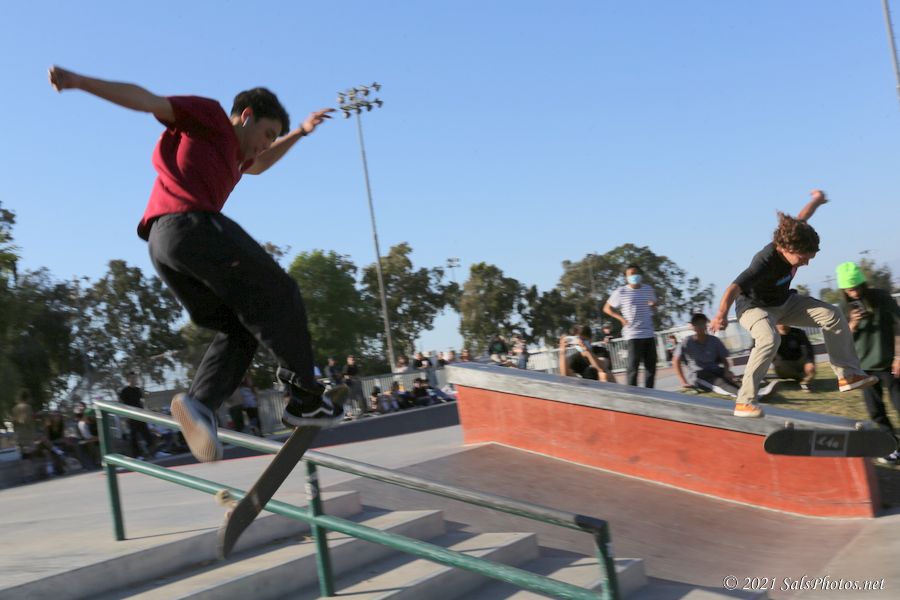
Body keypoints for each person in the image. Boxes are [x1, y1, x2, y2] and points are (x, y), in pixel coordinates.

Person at [49, 66, 347, 463]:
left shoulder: (237, 157)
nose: (265, 146)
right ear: (246, 116)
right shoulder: (210, 118)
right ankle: (306, 399)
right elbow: (147, 100)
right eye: (267, 134)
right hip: (189, 226)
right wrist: (81, 82)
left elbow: (260, 164)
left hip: (165, 249)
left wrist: (301, 133)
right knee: (280, 292)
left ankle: (200, 404)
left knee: (241, 329)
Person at [710, 190, 876, 417]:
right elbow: (733, 288)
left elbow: (803, 216)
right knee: (769, 339)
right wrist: (720, 315)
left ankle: (848, 375)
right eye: (802, 258)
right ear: (786, 248)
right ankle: (744, 401)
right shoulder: (764, 261)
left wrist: (817, 200)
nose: (806, 263)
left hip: (784, 302)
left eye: (809, 258)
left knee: (833, 315)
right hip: (754, 308)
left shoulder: (795, 235)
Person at [836, 261, 900, 464]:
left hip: (889, 363)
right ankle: (892, 446)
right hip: (863, 369)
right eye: (849, 289)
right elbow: (841, 340)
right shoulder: (843, 308)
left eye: (856, 287)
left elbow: (898, 325)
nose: (854, 292)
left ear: (862, 283)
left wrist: (899, 356)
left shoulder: (882, 297)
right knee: (876, 411)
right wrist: (853, 324)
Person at [674, 313, 777, 399]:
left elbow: (724, 359)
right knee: (719, 382)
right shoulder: (686, 342)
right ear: (693, 327)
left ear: (706, 325)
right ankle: (747, 397)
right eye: (697, 324)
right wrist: (683, 381)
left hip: (716, 370)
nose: (700, 327)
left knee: (731, 379)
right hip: (699, 375)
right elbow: (676, 360)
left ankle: (757, 392)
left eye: (702, 323)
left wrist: (727, 371)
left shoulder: (714, 340)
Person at [604, 264, 658, 388]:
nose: (634, 276)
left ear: (640, 275)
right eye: (631, 274)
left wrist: (653, 305)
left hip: (648, 333)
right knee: (633, 367)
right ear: (626, 277)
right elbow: (607, 308)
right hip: (633, 334)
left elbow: (654, 305)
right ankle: (632, 394)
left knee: (651, 367)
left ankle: (650, 393)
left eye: (636, 273)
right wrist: (621, 319)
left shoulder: (648, 289)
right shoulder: (621, 291)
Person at [119, 372, 157, 459]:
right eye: (132, 378)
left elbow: (142, 401)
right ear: (128, 379)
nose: (134, 379)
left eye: (135, 378)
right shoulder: (124, 391)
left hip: (140, 415)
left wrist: (145, 410)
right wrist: (125, 417)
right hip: (131, 416)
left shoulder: (138, 390)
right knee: (134, 437)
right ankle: (137, 455)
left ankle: (153, 452)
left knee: (146, 434)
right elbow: (122, 404)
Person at [773, 325, 816, 392]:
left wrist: (809, 362)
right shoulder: (773, 335)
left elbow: (808, 348)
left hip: (798, 363)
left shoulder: (798, 332)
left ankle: (804, 379)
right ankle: (801, 376)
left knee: (810, 368)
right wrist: (774, 360)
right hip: (784, 365)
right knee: (781, 366)